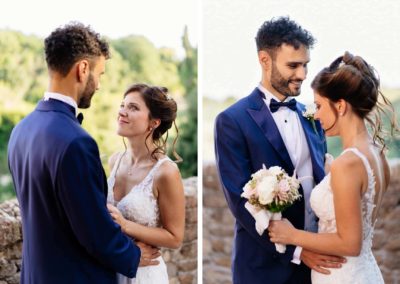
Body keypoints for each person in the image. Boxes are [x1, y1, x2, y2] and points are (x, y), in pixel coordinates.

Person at [7, 23, 159, 284]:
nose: (99, 85)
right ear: (83, 69)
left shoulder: (20, 130)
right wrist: (132, 255)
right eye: (99, 73)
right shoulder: (77, 142)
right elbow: (93, 229)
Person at [214, 17, 345, 284]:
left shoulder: (313, 116)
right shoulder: (232, 120)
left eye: (305, 65)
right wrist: (298, 251)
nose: (302, 74)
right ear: (265, 60)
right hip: (264, 268)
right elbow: (241, 203)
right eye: (293, 65)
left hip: (318, 267)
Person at [269, 51, 398, 283]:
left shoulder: (347, 163)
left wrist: (292, 235)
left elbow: (350, 243)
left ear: (340, 106)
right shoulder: (377, 153)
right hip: (363, 272)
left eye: (319, 106)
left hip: (342, 275)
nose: (316, 115)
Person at [106, 83, 185, 283]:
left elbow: (175, 237)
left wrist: (125, 225)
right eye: (123, 105)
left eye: (133, 108)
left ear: (154, 122)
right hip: (112, 269)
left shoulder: (165, 172)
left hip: (145, 275)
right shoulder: (115, 161)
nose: (122, 112)